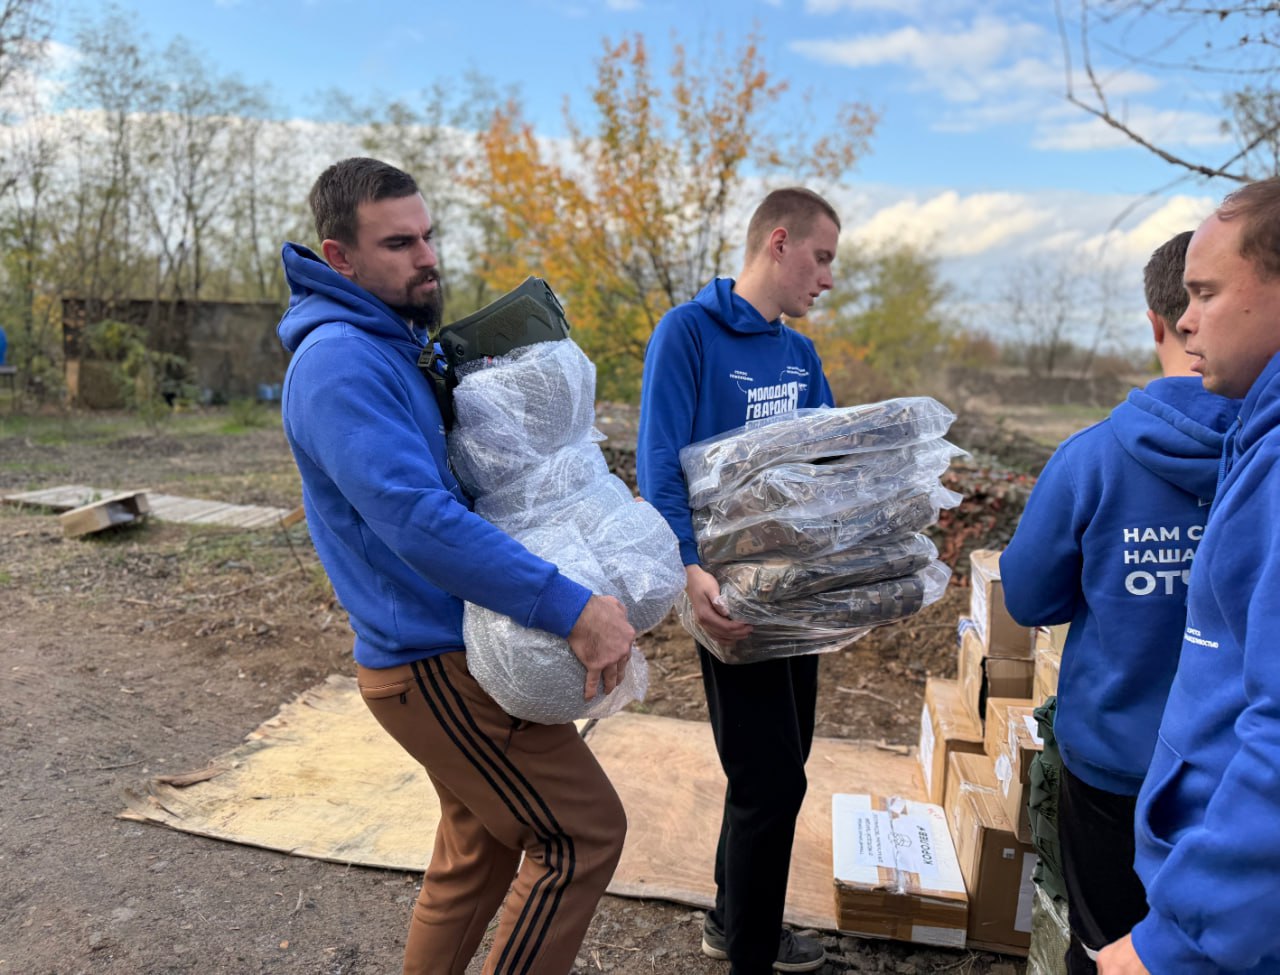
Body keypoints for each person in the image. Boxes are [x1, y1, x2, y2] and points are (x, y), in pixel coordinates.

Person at [276, 157, 634, 975]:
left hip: (445, 649)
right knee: (580, 834)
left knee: (476, 853)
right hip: (428, 660)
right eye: (398, 243)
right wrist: (571, 606)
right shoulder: (339, 363)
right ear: (341, 258)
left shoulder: (390, 344)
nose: (426, 256)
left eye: (428, 235)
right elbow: (415, 519)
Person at [999, 231, 1237, 975]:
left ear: (1156, 321)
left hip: (1110, 766)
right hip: (1236, 781)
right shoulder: (1262, 456)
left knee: (1104, 949)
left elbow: (1030, 595)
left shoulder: (1093, 458)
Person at [636, 187, 839, 975]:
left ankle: (731, 916)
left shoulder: (799, 355)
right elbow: (660, 465)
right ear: (778, 242)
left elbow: (829, 462)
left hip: (797, 595)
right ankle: (752, 953)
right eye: (821, 258)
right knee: (770, 777)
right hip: (728, 595)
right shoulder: (688, 333)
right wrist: (689, 573)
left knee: (778, 762)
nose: (825, 278)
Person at [1097, 177, 1280, 975]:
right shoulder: (1253, 436)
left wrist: (1173, 940)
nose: (1187, 317)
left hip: (1224, 933)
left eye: (1205, 292)